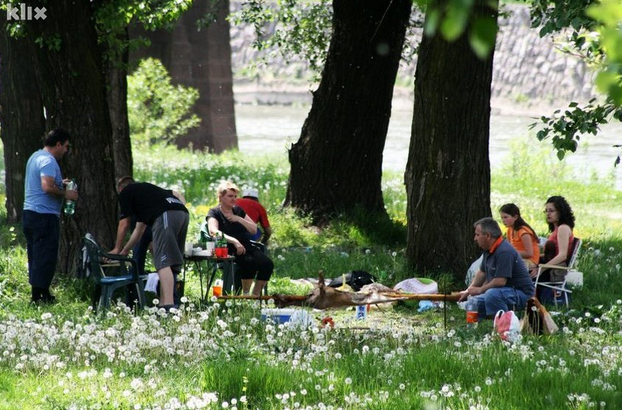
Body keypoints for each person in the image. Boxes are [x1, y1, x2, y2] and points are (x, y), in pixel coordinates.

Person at [110, 177, 188, 309]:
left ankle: (169, 307)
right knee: (171, 263)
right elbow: (139, 230)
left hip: (166, 214)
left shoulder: (126, 192)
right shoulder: (148, 196)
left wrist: (117, 248)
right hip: (182, 213)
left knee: (163, 263)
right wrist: (125, 250)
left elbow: (124, 224)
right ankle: (164, 304)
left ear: (120, 189)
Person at [22, 128, 79, 304]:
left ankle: (41, 292)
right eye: (66, 146)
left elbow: (43, 184)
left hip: (30, 213)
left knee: (37, 255)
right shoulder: (48, 160)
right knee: (46, 256)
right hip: (43, 215)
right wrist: (65, 194)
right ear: (58, 143)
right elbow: (46, 186)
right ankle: (39, 297)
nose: (66, 151)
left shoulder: (36, 156)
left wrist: (59, 184)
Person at [207, 181, 274, 296]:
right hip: (227, 248)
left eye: (235, 196)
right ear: (221, 197)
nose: (233, 199)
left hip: (246, 246)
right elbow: (213, 231)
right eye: (230, 196)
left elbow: (254, 229)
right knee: (249, 262)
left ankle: (255, 295)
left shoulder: (238, 211)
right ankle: (246, 294)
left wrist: (239, 219)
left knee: (267, 264)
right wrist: (234, 241)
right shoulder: (215, 212)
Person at [460, 217, 535, 319]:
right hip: (504, 292)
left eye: (477, 235)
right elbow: (482, 273)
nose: (475, 238)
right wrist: (468, 291)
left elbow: (500, 282)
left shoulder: (504, 251)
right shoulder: (489, 249)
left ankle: (503, 326)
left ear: (488, 236)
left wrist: (480, 290)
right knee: (473, 303)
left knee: (492, 294)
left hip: (522, 295)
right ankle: (473, 329)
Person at [537, 196, 575, 282]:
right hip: (549, 267)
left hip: (553, 271)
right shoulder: (557, 229)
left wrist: (542, 268)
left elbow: (562, 255)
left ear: (560, 212)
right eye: (546, 211)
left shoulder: (563, 228)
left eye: (551, 211)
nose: (548, 213)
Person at [499, 203, 540, 270]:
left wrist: (510, 252)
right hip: (517, 258)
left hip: (530, 261)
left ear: (515, 217)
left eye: (506, 217)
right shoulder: (509, 230)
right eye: (502, 218)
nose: (503, 220)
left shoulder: (523, 232)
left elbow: (529, 253)